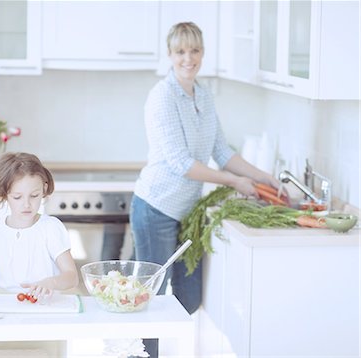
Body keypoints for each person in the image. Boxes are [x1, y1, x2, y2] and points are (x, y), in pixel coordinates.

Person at [129, 22, 282, 358]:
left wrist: (262, 178)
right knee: (149, 299)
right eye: (181, 51)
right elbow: (181, 162)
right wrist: (235, 182)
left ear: (203, 53)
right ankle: (138, 354)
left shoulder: (203, 93)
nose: (189, 58)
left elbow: (221, 150)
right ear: (169, 55)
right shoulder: (162, 96)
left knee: (187, 296)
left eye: (195, 50)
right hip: (156, 208)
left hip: (186, 211)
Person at [0, 152, 79, 298]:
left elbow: (72, 277)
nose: (27, 204)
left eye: (34, 195)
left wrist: (51, 283)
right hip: (3, 306)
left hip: (44, 305)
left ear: (44, 189)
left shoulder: (50, 228)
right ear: (4, 194)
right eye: (17, 197)